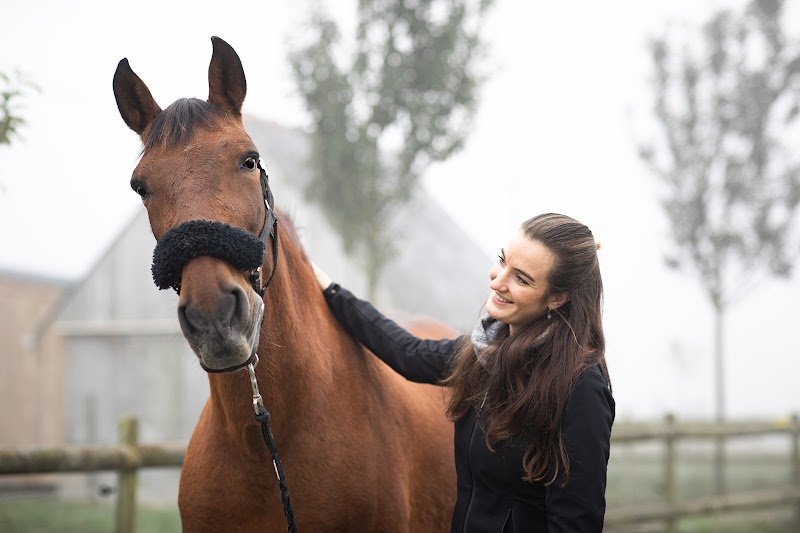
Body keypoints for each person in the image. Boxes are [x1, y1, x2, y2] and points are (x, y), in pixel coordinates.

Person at [313, 213, 614, 532]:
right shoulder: (484, 354)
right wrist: (329, 290)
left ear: (557, 298)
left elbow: (576, 524)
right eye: (502, 261)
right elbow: (407, 352)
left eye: (521, 279)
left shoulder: (580, 388)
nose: (498, 281)